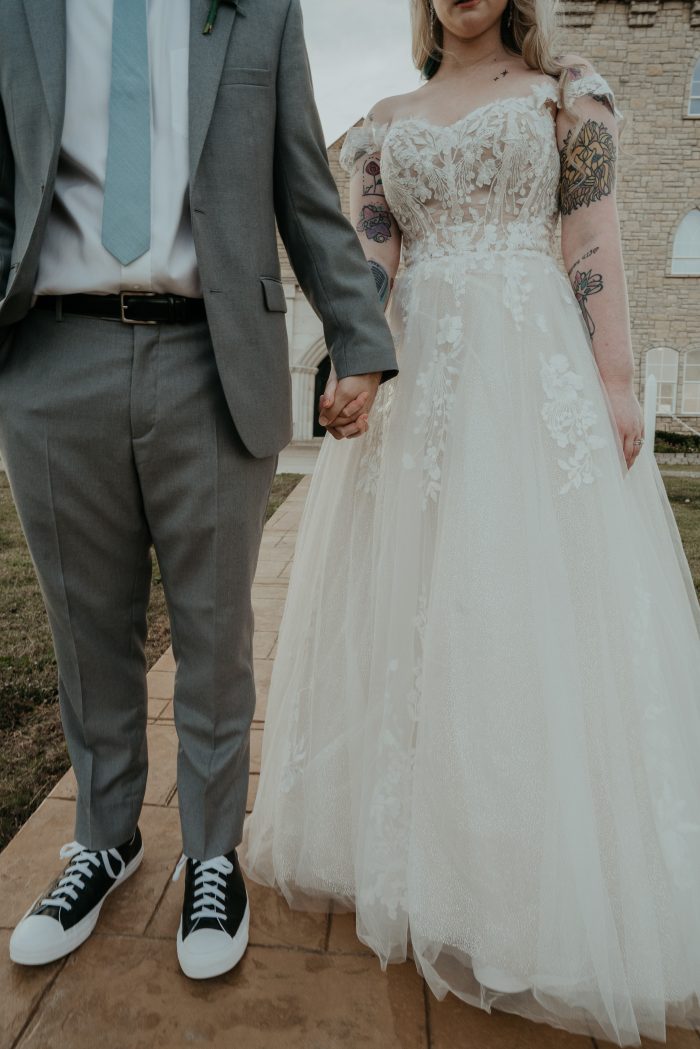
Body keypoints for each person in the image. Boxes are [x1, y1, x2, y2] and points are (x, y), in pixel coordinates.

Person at [241, 0, 700, 1043]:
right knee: (415, 609)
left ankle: (527, 871)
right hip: (424, 396)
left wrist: (616, 378)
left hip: (529, 378)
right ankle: (424, 852)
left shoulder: (564, 95)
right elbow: (372, 267)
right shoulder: (384, 122)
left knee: (520, 611)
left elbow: (590, 236)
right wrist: (355, 363)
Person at [1, 0, 397, 980]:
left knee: (213, 632)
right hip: (52, 353)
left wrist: (360, 336)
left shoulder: (256, 10)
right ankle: (105, 837)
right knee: (88, 631)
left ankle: (211, 853)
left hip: (212, 357)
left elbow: (304, 186)